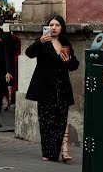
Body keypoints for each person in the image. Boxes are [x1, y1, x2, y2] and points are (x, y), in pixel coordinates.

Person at [25, 15, 80, 162]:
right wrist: (39, 42)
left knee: (60, 121)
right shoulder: (42, 41)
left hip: (61, 87)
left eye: (57, 25)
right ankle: (48, 152)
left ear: (62, 28)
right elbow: (29, 53)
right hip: (44, 87)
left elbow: (75, 65)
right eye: (51, 25)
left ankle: (56, 151)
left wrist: (68, 61)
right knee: (46, 121)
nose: (54, 27)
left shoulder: (65, 42)